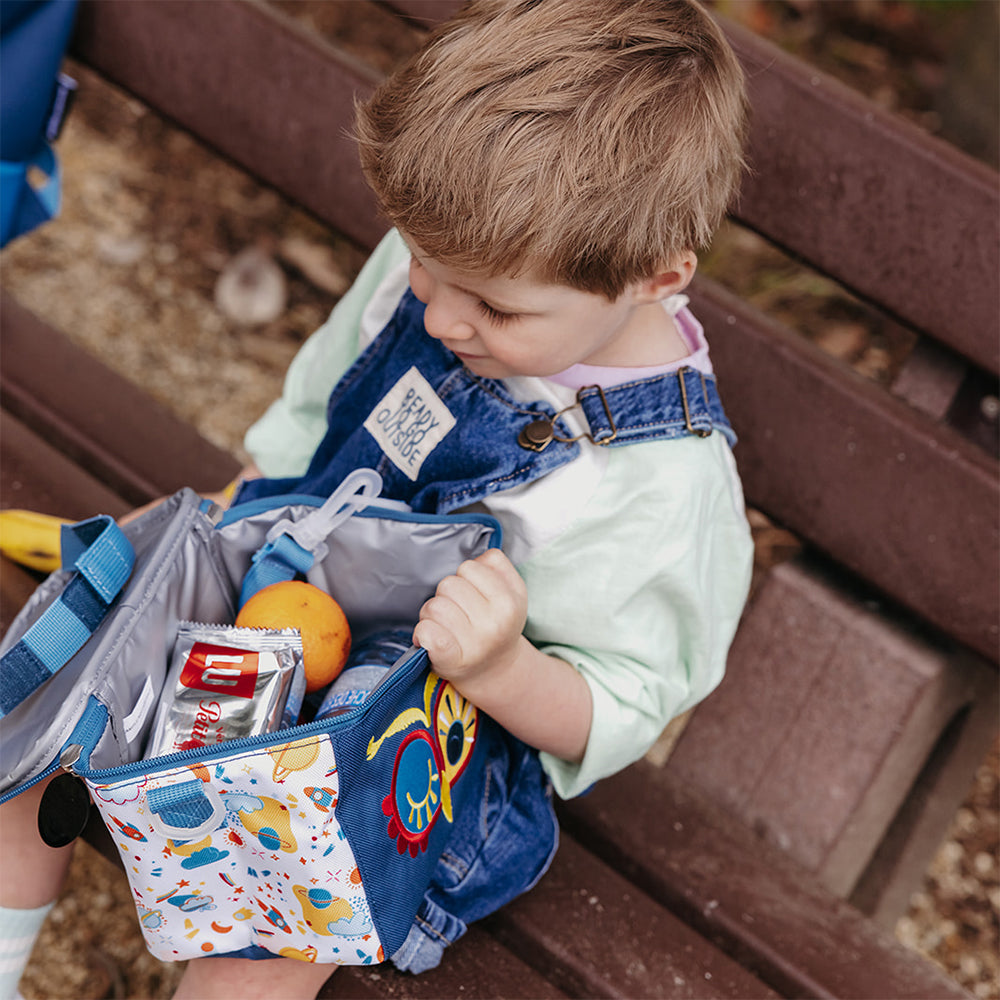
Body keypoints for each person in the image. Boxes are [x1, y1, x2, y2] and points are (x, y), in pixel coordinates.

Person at [0, 2, 753, 997]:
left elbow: (617, 708)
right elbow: (316, 407)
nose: (439, 317)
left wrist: (501, 666)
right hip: (276, 603)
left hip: (427, 736)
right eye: (423, 269)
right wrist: (225, 531)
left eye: (495, 308)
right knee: (39, 734)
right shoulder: (451, 256)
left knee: (272, 920)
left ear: (658, 278)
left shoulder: (659, 480)